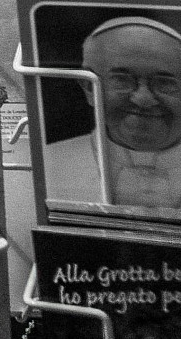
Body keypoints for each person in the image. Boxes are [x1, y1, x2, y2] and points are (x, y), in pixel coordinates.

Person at [43, 17, 181, 210]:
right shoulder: (49, 161)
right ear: (89, 88)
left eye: (165, 82)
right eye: (122, 80)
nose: (143, 99)